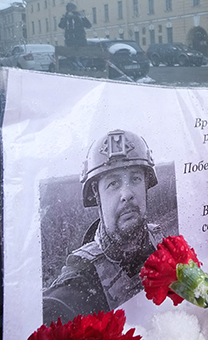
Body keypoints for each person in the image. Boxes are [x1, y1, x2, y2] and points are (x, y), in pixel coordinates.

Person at [42, 130, 165, 325]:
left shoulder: (162, 243)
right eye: (113, 184)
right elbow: (55, 307)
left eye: (135, 179)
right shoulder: (83, 279)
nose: (127, 194)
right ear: (97, 195)